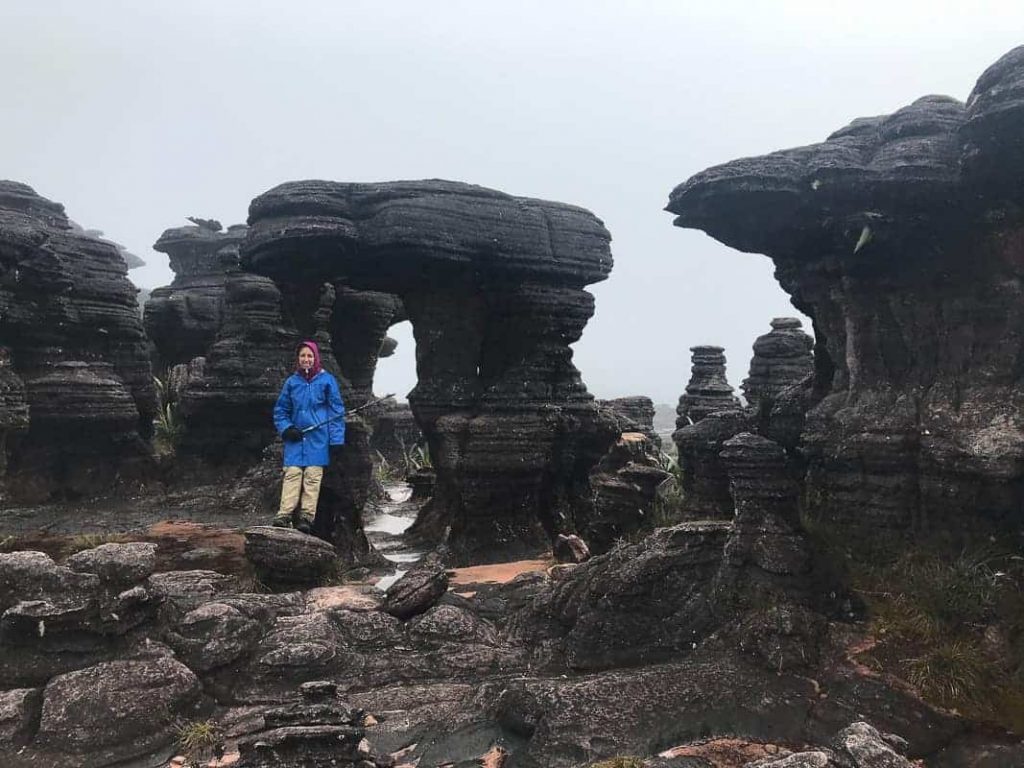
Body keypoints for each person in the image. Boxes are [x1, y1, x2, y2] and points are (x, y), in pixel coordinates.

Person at [272, 340, 345, 533]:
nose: (306, 359)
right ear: (298, 359)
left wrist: (336, 441)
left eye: (310, 356)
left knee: (313, 476)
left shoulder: (327, 381)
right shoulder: (292, 382)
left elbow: (336, 412)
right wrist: (287, 429)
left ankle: (306, 517)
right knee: (293, 474)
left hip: (318, 439)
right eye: (303, 356)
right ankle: (284, 515)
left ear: (316, 358)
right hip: (295, 439)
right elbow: (281, 410)